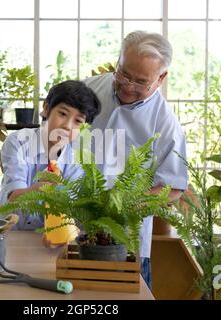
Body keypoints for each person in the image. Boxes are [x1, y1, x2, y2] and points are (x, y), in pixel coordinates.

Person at [84, 30, 188, 289]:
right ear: (118, 60)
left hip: (126, 240)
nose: (128, 86)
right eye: (124, 74)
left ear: (161, 78)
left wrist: (126, 207)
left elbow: (173, 187)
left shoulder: (166, 123)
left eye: (141, 82)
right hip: (71, 230)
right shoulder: (86, 90)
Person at [0, 80, 101, 231]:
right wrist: (41, 188)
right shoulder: (18, 142)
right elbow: (15, 197)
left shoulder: (78, 159)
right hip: (5, 233)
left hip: (45, 238)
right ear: (46, 108)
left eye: (78, 121)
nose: (67, 126)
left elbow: (71, 212)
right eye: (63, 114)